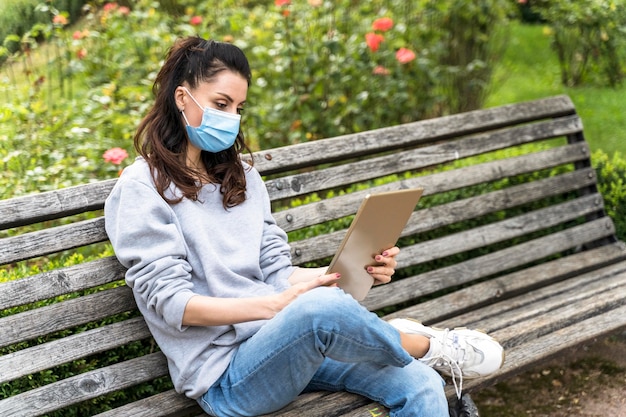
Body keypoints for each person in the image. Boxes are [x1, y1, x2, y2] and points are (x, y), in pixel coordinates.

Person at [104, 36, 504, 417]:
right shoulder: (142, 189)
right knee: (321, 312)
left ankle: (406, 345)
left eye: (238, 108)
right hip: (227, 378)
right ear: (182, 98)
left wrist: (350, 270)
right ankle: (422, 344)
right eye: (220, 104)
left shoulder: (240, 177)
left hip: (287, 341)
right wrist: (279, 306)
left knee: (420, 386)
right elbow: (173, 305)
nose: (230, 119)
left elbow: (276, 272)